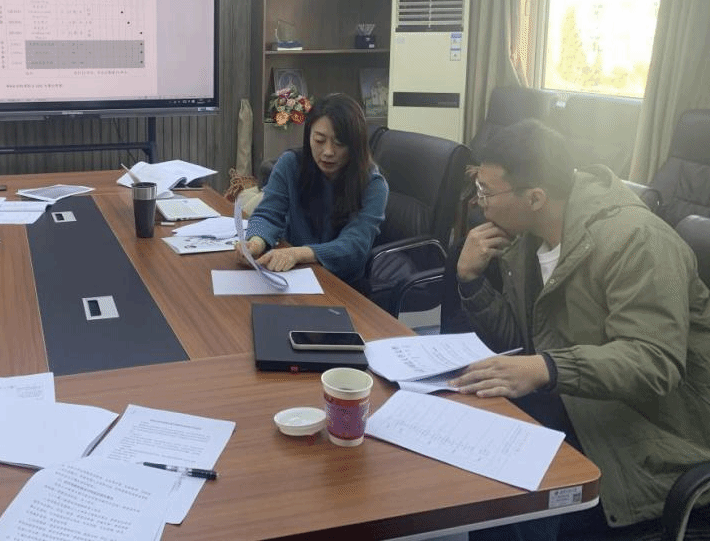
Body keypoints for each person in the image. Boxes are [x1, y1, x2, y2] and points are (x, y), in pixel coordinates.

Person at [449, 119, 710, 539]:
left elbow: (654, 361)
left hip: (651, 438)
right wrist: (471, 280)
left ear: (535, 197)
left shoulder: (637, 240)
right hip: (577, 403)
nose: (480, 205)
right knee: (478, 472)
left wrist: (547, 368)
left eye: (486, 192)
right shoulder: (529, 238)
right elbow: (522, 343)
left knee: (511, 505)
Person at [238, 92, 388, 286]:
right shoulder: (290, 165)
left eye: (339, 143)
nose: (328, 152)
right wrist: (256, 242)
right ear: (308, 137)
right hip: (292, 272)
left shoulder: (373, 185)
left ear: (355, 146)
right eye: (319, 140)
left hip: (342, 283)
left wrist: (299, 254)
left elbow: (354, 245)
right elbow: (268, 213)